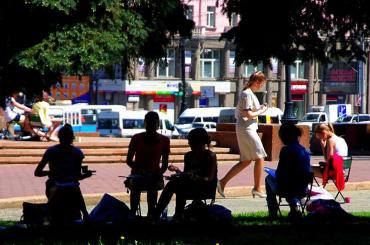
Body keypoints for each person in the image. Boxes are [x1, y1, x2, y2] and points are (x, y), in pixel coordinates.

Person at [217, 71, 268, 198]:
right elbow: (248, 114)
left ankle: (222, 182)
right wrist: (262, 110)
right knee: (260, 156)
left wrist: (260, 108)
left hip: (247, 127)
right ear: (257, 82)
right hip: (246, 128)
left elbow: (249, 112)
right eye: (261, 83)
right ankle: (257, 188)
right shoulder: (247, 94)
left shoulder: (249, 94)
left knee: (246, 161)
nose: (261, 86)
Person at [154, 128, 217, 221]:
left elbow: (209, 179)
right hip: (190, 185)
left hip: (205, 187)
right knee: (175, 184)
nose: (189, 143)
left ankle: (161, 214)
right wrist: (177, 172)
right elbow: (186, 174)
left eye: (190, 141)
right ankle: (174, 215)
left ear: (198, 142)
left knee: (177, 186)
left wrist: (193, 177)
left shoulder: (210, 156)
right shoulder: (188, 156)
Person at [34, 124, 92, 223]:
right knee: (74, 188)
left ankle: (49, 217)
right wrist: (86, 175)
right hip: (70, 187)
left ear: (59, 137)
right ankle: (85, 214)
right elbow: (77, 176)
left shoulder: (51, 151)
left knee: (69, 187)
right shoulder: (77, 153)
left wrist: (51, 172)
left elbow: (37, 172)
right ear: (72, 138)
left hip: (54, 184)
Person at [126, 111, 170, 217]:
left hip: (154, 175)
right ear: (145, 124)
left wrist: (159, 173)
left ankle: (150, 213)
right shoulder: (136, 138)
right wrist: (140, 170)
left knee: (152, 183)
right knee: (137, 183)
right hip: (138, 174)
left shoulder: (165, 140)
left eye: (152, 123)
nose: (150, 126)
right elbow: (129, 160)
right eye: (149, 123)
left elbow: (164, 165)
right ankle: (135, 213)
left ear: (157, 124)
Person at [265, 123, 311, 219]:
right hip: (303, 188)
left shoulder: (286, 150)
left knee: (268, 178)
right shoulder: (304, 150)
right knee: (291, 183)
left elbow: (281, 172)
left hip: (286, 188)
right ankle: (294, 205)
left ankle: (273, 213)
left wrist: (274, 174)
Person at [313, 123, 348, 188]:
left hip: (334, 172)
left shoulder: (330, 140)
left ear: (324, 133)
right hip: (344, 171)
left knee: (308, 169)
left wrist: (323, 147)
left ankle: (306, 191)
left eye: (320, 137)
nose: (321, 139)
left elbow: (328, 160)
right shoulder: (341, 139)